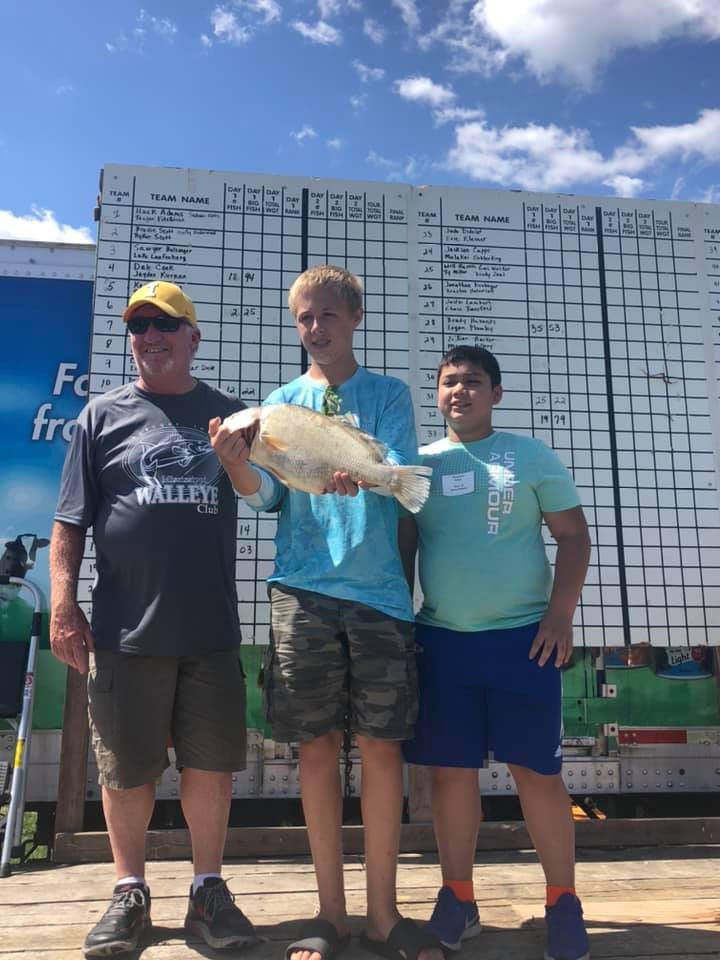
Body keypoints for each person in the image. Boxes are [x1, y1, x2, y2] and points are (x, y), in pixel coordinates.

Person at [210, 265, 442, 960]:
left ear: (355, 318)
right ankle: (329, 915)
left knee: (381, 750)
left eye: (328, 316)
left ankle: (383, 915)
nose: (316, 328)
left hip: (378, 593)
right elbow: (271, 499)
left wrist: (366, 477)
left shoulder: (388, 395)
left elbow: (393, 472)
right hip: (302, 589)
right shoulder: (276, 405)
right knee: (313, 751)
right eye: (305, 318)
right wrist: (235, 465)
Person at [50, 281, 258, 958]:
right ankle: (129, 891)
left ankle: (207, 889)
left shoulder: (232, 417)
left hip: (210, 630)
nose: (151, 336)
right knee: (126, 770)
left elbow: (278, 494)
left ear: (193, 338)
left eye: (166, 325)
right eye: (140, 327)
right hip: (122, 629)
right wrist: (62, 603)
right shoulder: (99, 418)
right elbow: (68, 524)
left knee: (210, 767)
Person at [399, 345, 592, 960]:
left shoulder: (529, 454)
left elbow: (573, 537)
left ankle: (562, 900)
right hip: (443, 641)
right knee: (451, 776)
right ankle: (459, 896)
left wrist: (560, 616)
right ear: (438, 394)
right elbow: (404, 552)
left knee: (538, 773)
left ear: (496, 393)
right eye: (449, 382)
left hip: (524, 641)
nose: (460, 391)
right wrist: (401, 625)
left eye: (473, 382)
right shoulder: (419, 465)